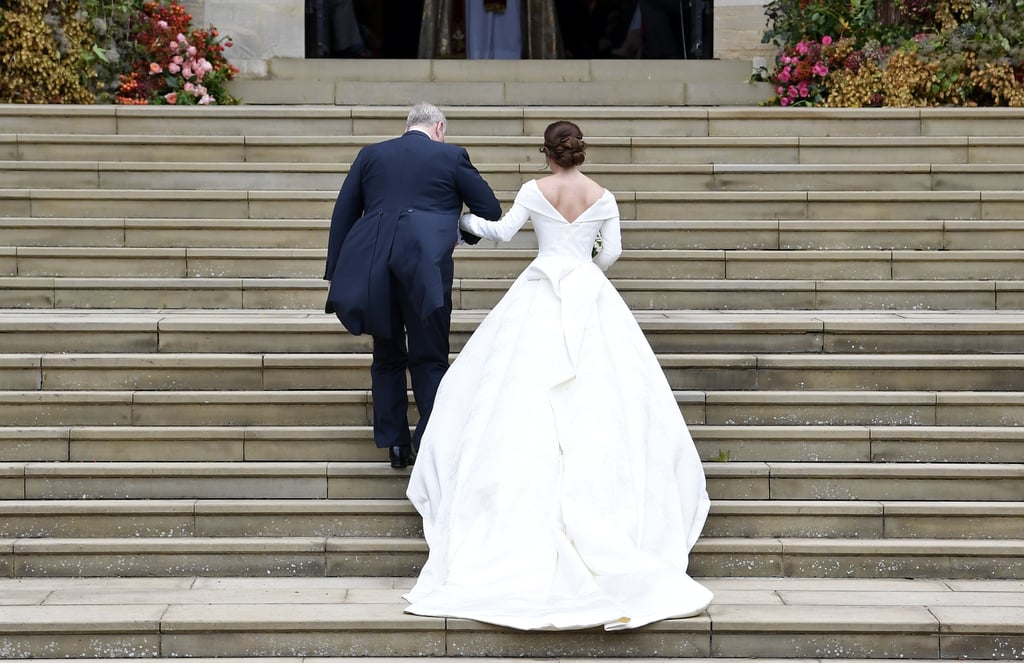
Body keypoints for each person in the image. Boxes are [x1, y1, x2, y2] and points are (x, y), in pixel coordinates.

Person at [403, 121, 713, 630]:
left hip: (541, 288)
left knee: (513, 393)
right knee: (604, 396)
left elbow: (501, 233)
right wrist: (585, 266)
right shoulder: (603, 195)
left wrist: (465, 223)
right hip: (588, 292)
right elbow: (611, 252)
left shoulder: (534, 189)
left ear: (546, 154)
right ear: (579, 154)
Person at [324, 102, 501, 469]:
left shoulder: (371, 155)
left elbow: (343, 212)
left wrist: (336, 270)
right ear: (438, 128)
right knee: (429, 356)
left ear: (409, 126)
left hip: (374, 267)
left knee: (387, 356)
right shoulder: (451, 157)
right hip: (426, 269)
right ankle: (430, 440)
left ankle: (395, 445)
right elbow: (490, 208)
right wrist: (454, 233)